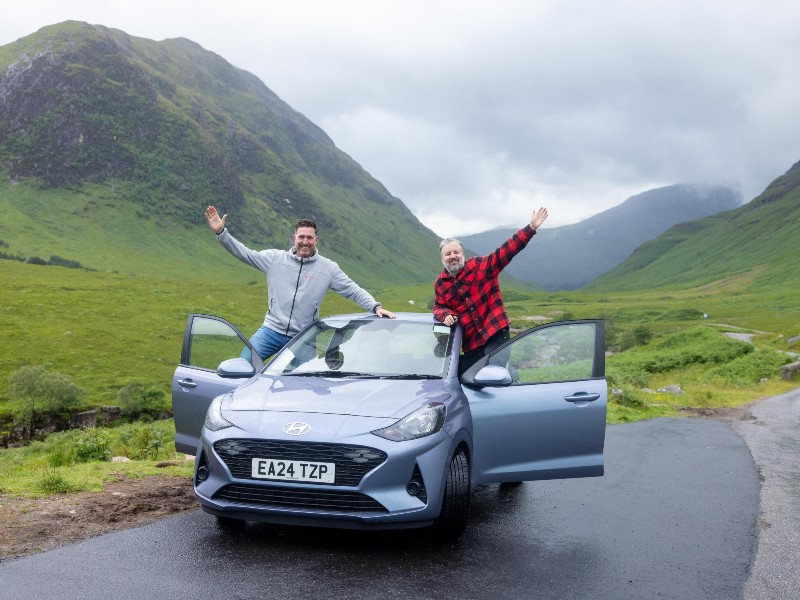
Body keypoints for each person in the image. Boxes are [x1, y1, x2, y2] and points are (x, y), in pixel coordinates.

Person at [204, 205, 396, 360]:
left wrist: (375, 306)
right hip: (271, 331)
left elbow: (352, 290)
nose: (305, 241)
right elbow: (244, 253)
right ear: (294, 238)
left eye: (309, 237)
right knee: (242, 367)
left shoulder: (328, 268)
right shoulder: (274, 259)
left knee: (301, 387)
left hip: (305, 337)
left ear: (316, 240)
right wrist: (222, 233)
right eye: (301, 237)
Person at [433, 207, 549, 373]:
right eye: (448, 254)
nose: (453, 256)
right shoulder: (440, 283)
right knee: (463, 380)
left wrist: (530, 228)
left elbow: (507, 250)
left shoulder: (481, 266)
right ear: (442, 259)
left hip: (495, 334)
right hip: (471, 345)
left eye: (456, 252)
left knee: (492, 374)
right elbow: (438, 307)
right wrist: (444, 315)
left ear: (462, 254)